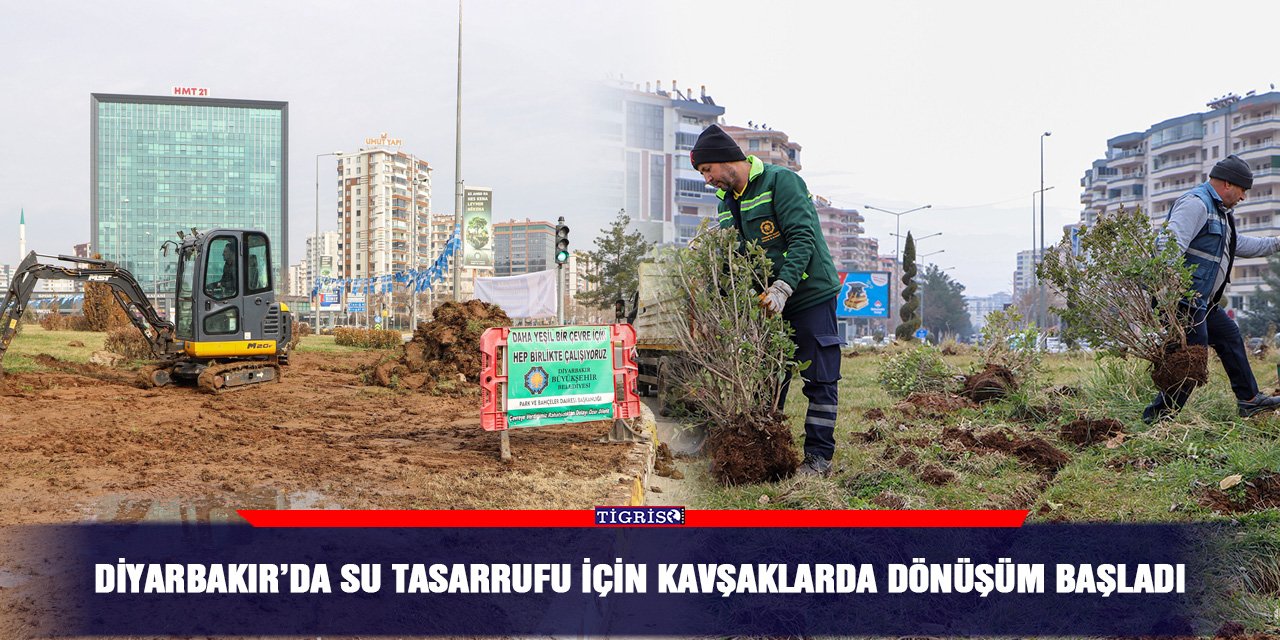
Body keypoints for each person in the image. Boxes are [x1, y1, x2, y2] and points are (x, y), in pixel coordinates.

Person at [690, 124, 843, 476]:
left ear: (726, 159)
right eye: (702, 173)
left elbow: (803, 238)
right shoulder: (727, 202)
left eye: (707, 170)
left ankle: (818, 458)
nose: (707, 179)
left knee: (819, 379)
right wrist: (718, 305)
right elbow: (732, 259)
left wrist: (783, 288)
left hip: (808, 296)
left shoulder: (781, 182)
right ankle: (768, 457)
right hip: (766, 305)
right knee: (767, 380)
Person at [1144, 154, 1280, 423]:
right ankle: (1158, 418)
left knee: (1229, 336)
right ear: (1228, 184)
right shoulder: (1196, 204)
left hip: (1201, 302)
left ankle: (1249, 400)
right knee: (1192, 359)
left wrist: (1277, 243)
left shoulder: (1220, 214)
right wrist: (1170, 291)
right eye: (1242, 190)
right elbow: (1168, 246)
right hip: (1183, 301)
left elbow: (1241, 245)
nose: (1243, 197)